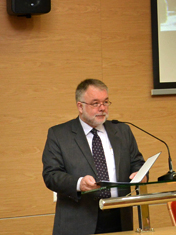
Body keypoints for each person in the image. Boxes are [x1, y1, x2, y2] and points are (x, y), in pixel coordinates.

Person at [42, 79, 146, 235]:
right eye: (95, 103)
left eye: (105, 102)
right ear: (80, 106)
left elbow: (137, 162)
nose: (102, 108)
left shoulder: (122, 131)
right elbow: (51, 175)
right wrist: (79, 184)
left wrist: (141, 173)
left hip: (119, 218)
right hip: (79, 220)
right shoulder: (59, 135)